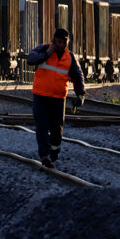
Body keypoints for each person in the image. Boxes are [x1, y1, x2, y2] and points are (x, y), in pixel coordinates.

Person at [26, 27, 85, 169]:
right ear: (54, 41)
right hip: (41, 96)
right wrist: (46, 54)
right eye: (58, 42)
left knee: (56, 129)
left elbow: (78, 76)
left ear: (67, 42)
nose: (60, 45)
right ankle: (44, 155)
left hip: (58, 98)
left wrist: (80, 94)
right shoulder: (43, 49)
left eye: (63, 42)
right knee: (41, 126)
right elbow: (30, 58)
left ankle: (54, 151)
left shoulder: (70, 57)